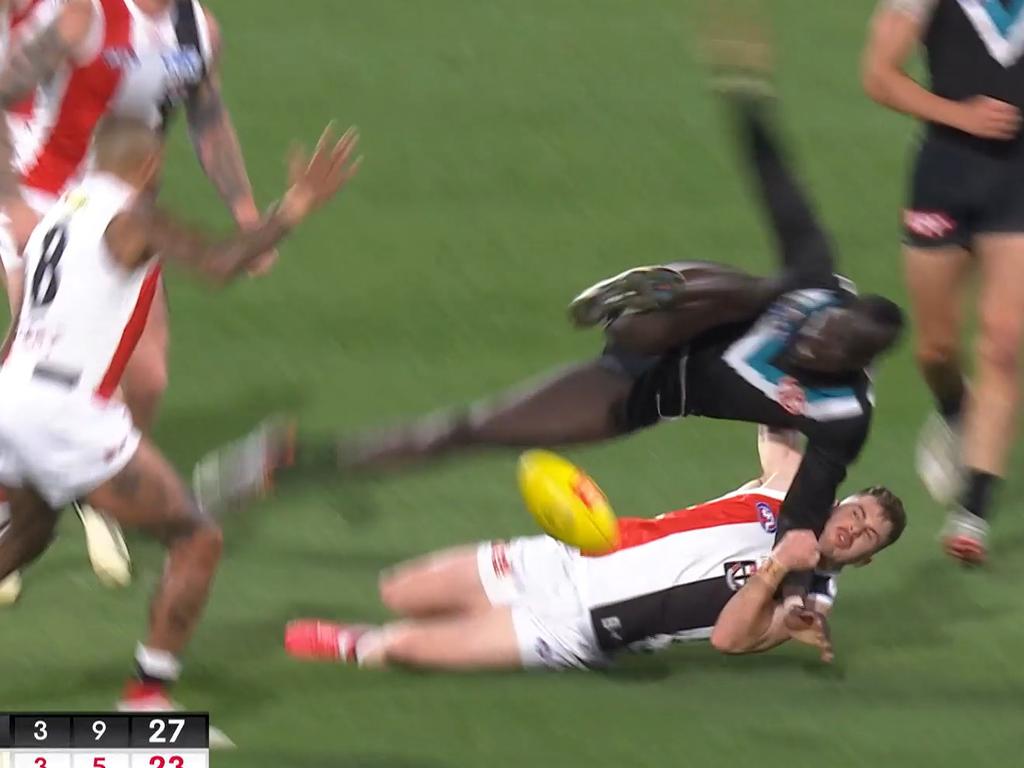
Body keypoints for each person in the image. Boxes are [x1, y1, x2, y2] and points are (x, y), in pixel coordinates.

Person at [193, 69, 903, 616]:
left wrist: (799, 585)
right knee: (755, 286)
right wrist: (750, 104)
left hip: (639, 388)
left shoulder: (841, 420)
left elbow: (805, 511)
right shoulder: (816, 289)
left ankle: (289, 462)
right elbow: (784, 192)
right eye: (814, 332)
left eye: (824, 352)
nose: (809, 345)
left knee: (470, 431)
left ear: (854, 367)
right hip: (673, 321)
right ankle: (647, 294)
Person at [0, 115, 360, 721]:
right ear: (148, 165)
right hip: (66, 411)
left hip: (12, 394)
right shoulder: (134, 217)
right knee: (196, 538)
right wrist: (294, 206)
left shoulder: (56, 218)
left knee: (30, 532)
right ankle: (146, 699)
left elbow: (21, 329)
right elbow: (219, 263)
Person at [0, 0, 272, 595]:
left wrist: (245, 210)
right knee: (31, 356)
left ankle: (93, 485)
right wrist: (13, 200)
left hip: (122, 214)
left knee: (146, 377)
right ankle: (12, 509)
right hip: (46, 199)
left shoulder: (198, 32)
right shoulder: (85, 17)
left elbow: (208, 116)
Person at [284, 428, 906, 670]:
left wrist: (775, 571)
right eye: (857, 513)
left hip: (578, 625)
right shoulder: (787, 489)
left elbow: (730, 639)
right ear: (840, 501)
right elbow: (778, 417)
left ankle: (357, 645)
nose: (853, 528)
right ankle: (383, 630)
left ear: (866, 558)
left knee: (404, 646)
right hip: (568, 555)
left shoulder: (809, 601)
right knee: (400, 590)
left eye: (867, 535)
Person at [863, 0, 1024, 564]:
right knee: (936, 349)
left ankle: (972, 511)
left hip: (1019, 183)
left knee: (1004, 340)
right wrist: (962, 116)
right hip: (946, 175)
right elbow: (879, 76)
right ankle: (956, 409)